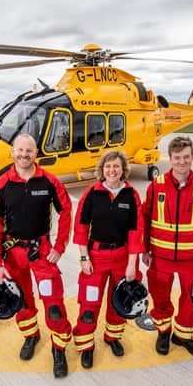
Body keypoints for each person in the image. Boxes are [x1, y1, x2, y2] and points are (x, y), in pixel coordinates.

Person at [0, 133, 73, 378]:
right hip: (13, 254)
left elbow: (66, 212)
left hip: (43, 253)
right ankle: (31, 335)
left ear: (36, 153)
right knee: (22, 302)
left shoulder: (49, 181)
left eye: (29, 151)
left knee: (53, 304)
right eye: (20, 150)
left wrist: (59, 247)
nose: (24, 155)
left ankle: (59, 348)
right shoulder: (2, 184)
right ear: (13, 152)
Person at [142, 136, 193, 358]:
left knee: (190, 301)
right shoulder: (156, 185)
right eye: (177, 158)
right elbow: (146, 219)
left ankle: (184, 336)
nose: (182, 162)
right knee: (160, 297)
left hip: (192, 260)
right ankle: (163, 332)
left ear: (192, 157)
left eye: (186, 157)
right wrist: (145, 249)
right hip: (160, 258)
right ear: (171, 159)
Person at [72, 151, 144, 369]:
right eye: (108, 167)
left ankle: (112, 337)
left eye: (116, 166)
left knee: (119, 301)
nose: (112, 170)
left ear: (123, 169)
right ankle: (85, 345)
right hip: (96, 257)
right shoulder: (92, 193)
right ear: (102, 170)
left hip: (122, 258)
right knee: (89, 303)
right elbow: (81, 228)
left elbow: (135, 231)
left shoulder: (131, 195)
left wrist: (132, 264)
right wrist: (84, 257)